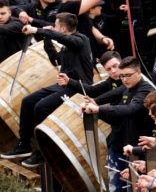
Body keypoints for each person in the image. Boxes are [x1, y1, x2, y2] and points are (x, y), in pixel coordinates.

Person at [2, 13, 93, 168]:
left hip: (78, 88)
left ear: (63, 28)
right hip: (62, 86)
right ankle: (24, 144)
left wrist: (37, 30)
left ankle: (42, 152)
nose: (54, 27)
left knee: (42, 106)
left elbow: (65, 39)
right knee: (28, 101)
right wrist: (47, 39)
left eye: (56, 26)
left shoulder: (80, 40)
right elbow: (55, 59)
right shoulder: (66, 46)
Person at [83, 56, 155, 192]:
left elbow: (130, 110)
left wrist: (98, 110)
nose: (123, 79)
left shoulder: (145, 91)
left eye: (127, 75)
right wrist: (95, 101)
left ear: (138, 72)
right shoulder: (128, 86)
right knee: (126, 190)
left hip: (141, 150)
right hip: (124, 146)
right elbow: (114, 94)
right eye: (121, 76)